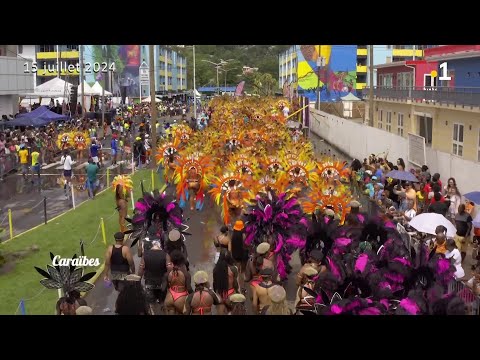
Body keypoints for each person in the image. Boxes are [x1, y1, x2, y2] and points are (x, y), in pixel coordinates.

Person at [138, 237, 168, 315]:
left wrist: (137, 281)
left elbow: (141, 268)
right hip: (162, 284)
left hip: (149, 283)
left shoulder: (145, 255)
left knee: (151, 304)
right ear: (160, 245)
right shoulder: (165, 254)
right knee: (162, 302)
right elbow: (169, 269)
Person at [164, 250, 192, 315]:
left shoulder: (167, 273)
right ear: (182, 260)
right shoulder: (186, 274)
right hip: (181, 297)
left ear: (171, 260)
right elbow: (189, 289)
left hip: (170, 297)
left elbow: (163, 289)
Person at [213, 250, 239, 315]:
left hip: (219, 296)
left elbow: (214, 284)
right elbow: (235, 284)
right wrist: (238, 292)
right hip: (231, 294)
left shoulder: (215, 269)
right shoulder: (233, 269)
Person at [230, 220, 248, 288]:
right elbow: (245, 244)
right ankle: (242, 285)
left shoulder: (233, 234)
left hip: (235, 254)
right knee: (242, 271)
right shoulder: (243, 235)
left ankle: (236, 282)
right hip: (242, 254)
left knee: (237, 268)